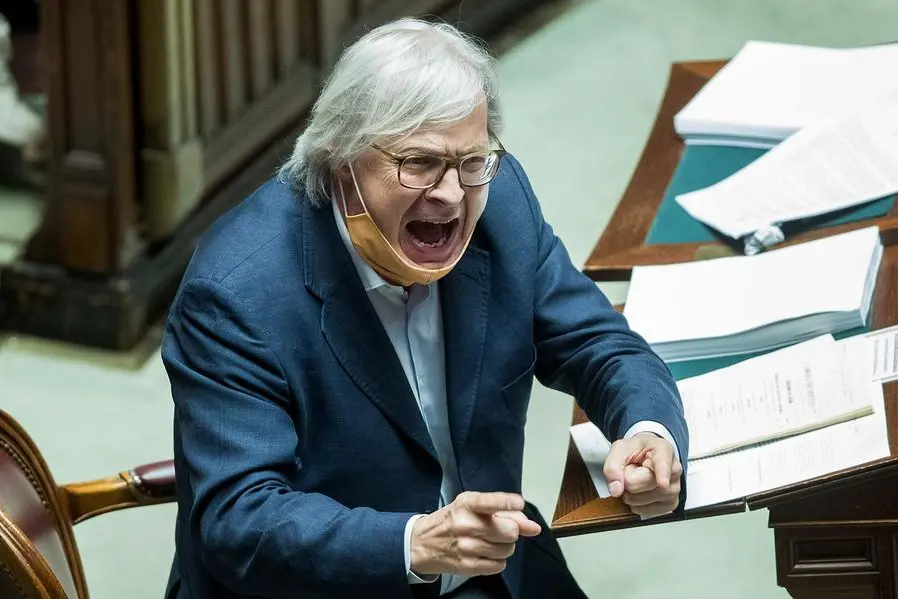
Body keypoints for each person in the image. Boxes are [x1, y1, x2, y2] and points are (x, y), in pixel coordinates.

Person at [161, 17, 687, 599]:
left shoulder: (501, 203)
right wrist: (413, 544)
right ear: (340, 160)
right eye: (419, 163)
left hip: (492, 565)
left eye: (471, 162)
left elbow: (595, 341)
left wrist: (648, 429)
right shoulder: (234, 294)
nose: (452, 195)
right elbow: (239, 519)